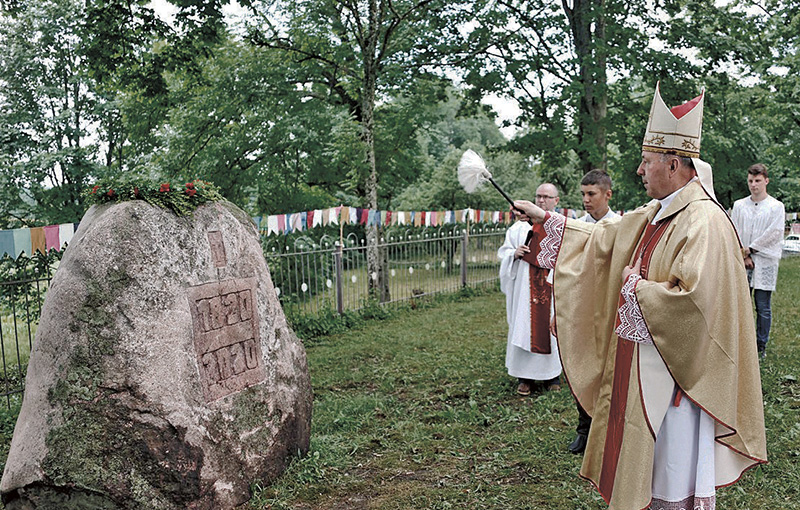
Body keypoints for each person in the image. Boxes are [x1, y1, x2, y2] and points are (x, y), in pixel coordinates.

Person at [513, 83, 766, 510]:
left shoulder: (702, 220)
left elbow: (693, 303)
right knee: (649, 469)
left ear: (673, 163)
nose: (639, 170)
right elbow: (605, 238)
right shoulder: (660, 211)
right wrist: (547, 219)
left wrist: (634, 287)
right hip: (646, 372)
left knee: (672, 470)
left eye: (646, 162)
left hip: (680, 381)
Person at [568, 169, 620, 455]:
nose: (586, 200)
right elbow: (565, 271)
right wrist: (557, 311)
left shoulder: (622, 227)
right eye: (583, 194)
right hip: (583, 308)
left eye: (592, 194)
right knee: (584, 369)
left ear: (607, 194)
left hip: (610, 308)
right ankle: (584, 430)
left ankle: (610, 430)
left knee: (610, 371)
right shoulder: (577, 227)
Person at [497, 183, 563, 396]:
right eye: (538, 196)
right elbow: (504, 253)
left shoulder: (561, 227)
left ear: (556, 200)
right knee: (524, 326)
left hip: (552, 285)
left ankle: (553, 375)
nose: (541, 200)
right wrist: (514, 254)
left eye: (546, 197)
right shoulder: (517, 229)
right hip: (524, 286)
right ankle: (524, 377)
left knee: (552, 326)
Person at [730, 163, 785, 358]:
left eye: (758, 181)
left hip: (765, 260)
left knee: (762, 306)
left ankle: (761, 345)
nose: (753, 185)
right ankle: (740, 342)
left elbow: (775, 233)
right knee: (739, 305)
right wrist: (743, 255)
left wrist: (751, 250)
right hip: (742, 260)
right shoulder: (739, 205)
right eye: (751, 181)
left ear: (766, 181)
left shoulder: (776, 207)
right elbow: (733, 230)